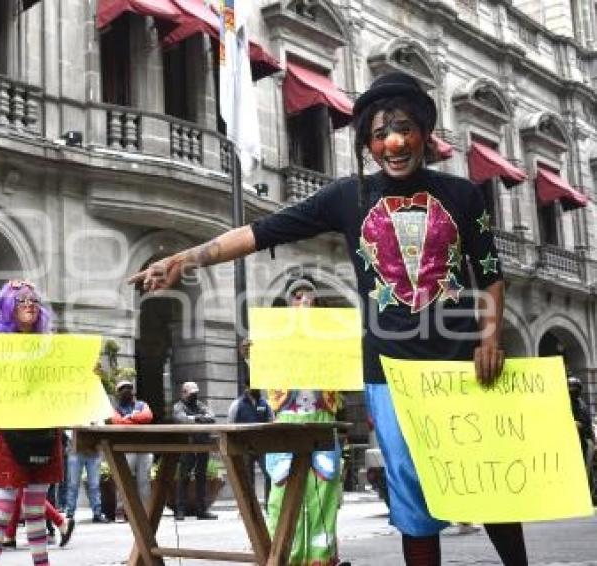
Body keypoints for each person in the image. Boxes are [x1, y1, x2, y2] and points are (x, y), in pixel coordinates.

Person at [130, 71, 527, 566]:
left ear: (425, 131)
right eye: (379, 134)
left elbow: (490, 272)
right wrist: (183, 259)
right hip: (390, 375)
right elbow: (261, 231)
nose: (394, 142)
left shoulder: (464, 195)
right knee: (413, 504)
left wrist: (489, 339)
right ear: (367, 143)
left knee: (491, 490)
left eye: (404, 128)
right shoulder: (347, 197)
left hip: (466, 370)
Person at [0, 279, 70, 565]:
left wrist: (86, 371)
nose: (30, 304)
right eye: (22, 300)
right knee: (2, 505)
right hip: (10, 433)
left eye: (34, 300)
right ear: (8, 307)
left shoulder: (51, 346)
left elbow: (65, 383)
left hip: (43, 430)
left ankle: (42, 563)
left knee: (35, 508)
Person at [263, 278, 347, 565]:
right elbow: (268, 381)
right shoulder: (275, 337)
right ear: (289, 303)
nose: (303, 302)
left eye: (309, 297)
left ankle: (320, 558)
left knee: (322, 492)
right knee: (283, 491)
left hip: (322, 422)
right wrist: (254, 354)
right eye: (297, 298)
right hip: (287, 422)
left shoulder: (332, 337)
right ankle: (284, 554)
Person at [109, 377, 154, 520]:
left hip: (144, 446)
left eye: (128, 387)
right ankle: (121, 511)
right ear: (118, 392)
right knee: (124, 479)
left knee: (144, 480)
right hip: (126, 448)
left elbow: (148, 416)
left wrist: (129, 419)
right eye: (122, 389)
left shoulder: (142, 404)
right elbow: (116, 421)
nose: (126, 390)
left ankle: (145, 512)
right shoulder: (115, 408)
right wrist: (134, 418)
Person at [172, 381, 217, 520]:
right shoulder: (178, 407)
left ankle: (201, 510)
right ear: (184, 393)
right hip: (187, 445)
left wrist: (194, 418)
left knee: (201, 476)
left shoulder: (201, 405)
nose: (194, 396)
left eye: (196, 394)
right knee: (183, 477)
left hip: (203, 444)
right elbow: (182, 421)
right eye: (191, 394)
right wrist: (199, 418)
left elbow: (211, 418)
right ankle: (180, 510)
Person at [227, 375, 274, 509]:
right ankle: (249, 507)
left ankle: (269, 505)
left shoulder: (265, 404)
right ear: (246, 388)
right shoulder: (237, 404)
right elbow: (230, 424)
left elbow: (272, 421)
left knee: (269, 473)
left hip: (262, 446)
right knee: (247, 479)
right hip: (244, 447)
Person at [64, 430, 108, 523]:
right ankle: (70, 513)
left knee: (94, 485)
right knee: (73, 484)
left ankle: (97, 513)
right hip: (76, 450)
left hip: (93, 451)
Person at [568, 376, 595, 464]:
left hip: (583, 440)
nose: (573, 389)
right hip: (570, 442)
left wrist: (593, 440)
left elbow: (588, 423)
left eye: (575, 387)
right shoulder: (564, 404)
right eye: (571, 387)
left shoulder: (582, 404)